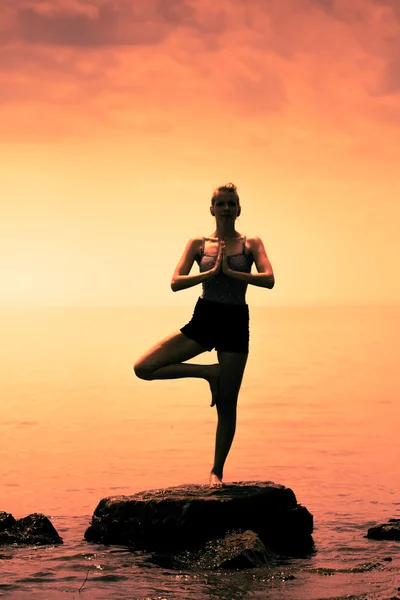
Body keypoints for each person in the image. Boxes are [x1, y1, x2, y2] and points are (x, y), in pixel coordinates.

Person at [134, 183, 275, 487]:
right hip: (204, 318)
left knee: (227, 404)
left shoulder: (251, 244)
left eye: (231, 203)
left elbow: (269, 279)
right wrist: (210, 274)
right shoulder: (198, 243)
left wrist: (234, 273)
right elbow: (175, 282)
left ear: (239, 209)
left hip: (235, 321)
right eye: (220, 203)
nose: (226, 208)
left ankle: (217, 472)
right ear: (211, 208)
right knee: (143, 368)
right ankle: (207, 373)